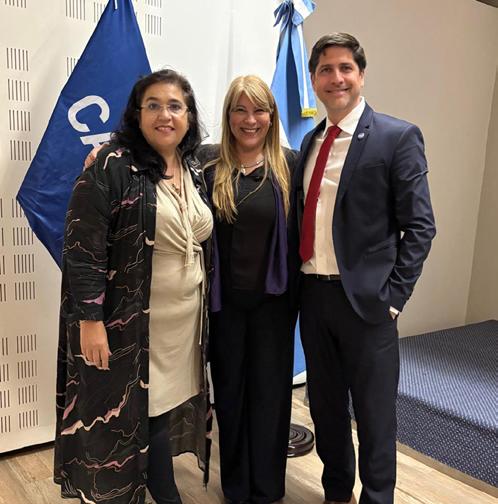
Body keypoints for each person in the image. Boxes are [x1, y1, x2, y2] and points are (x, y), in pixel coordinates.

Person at [288, 34, 436, 504]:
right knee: (326, 408)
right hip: (314, 297)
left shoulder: (397, 137)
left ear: (361, 75)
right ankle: (336, 493)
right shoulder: (309, 142)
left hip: (369, 305)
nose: (336, 78)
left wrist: (393, 298)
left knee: (374, 416)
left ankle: (377, 497)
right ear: (314, 80)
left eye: (345, 68)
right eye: (325, 70)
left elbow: (421, 226)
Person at [54, 69, 213, 504]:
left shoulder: (193, 167)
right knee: (131, 414)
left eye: (176, 106)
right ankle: (160, 493)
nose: (165, 115)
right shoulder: (113, 165)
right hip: (131, 324)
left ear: (189, 116)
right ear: (136, 115)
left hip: (181, 326)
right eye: (154, 105)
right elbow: (82, 248)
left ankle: (159, 485)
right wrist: (90, 320)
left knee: (158, 410)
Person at [200, 75, 296, 504]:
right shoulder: (207, 164)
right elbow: (153, 151)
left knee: (270, 397)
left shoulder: (291, 165)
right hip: (225, 307)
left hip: (275, 306)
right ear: (228, 116)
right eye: (240, 109)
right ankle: (236, 488)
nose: (249, 119)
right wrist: (105, 151)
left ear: (271, 116)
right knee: (231, 397)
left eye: (258, 110)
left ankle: (267, 488)